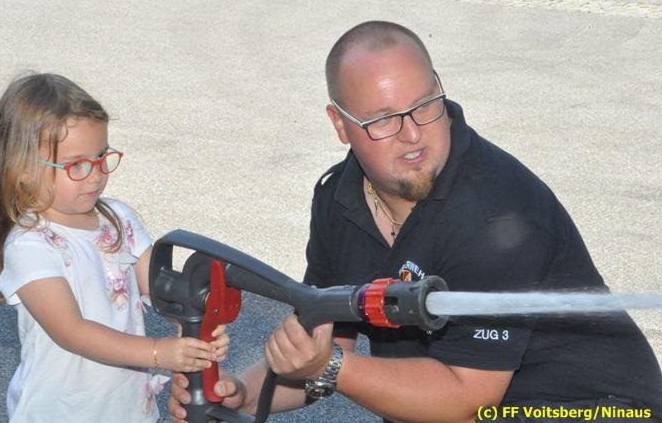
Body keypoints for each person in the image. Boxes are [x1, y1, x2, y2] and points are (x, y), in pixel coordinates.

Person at [169, 21, 662, 422]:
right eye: (383, 119)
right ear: (340, 125)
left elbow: (466, 400)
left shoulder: (499, 215)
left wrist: (331, 366)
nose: (413, 136)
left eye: (425, 105)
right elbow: (322, 340)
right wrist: (241, 394)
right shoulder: (339, 199)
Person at [0, 73, 229, 422]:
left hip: (127, 410)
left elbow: (160, 289)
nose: (95, 175)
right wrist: (159, 352)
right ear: (23, 168)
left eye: (101, 157)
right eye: (76, 165)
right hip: (60, 412)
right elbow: (71, 331)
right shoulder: (29, 246)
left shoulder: (119, 219)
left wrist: (196, 327)